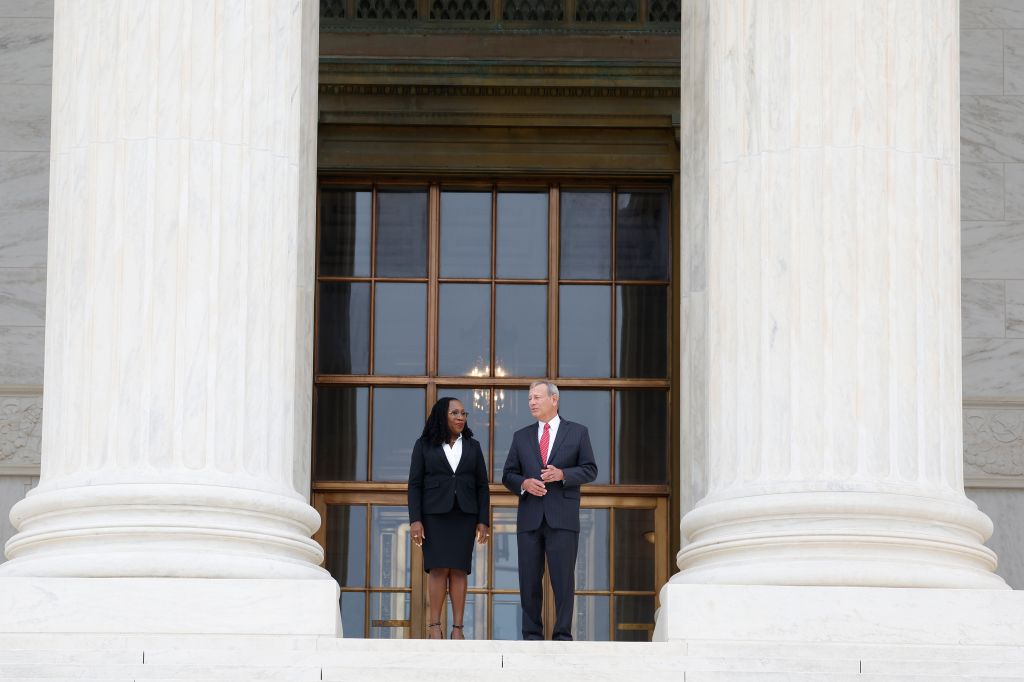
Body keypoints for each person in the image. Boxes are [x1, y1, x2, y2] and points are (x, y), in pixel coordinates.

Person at [502, 381, 597, 641]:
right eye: (530, 398)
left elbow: (590, 469)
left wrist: (563, 474)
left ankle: (562, 635)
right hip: (530, 518)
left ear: (554, 400)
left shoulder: (578, 432)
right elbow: (507, 474)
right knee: (529, 581)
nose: (532, 402)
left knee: (563, 581)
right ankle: (531, 635)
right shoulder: (521, 436)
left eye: (537, 397)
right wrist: (524, 483)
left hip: (563, 518)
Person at [408, 397, 490, 640]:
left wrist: (483, 520)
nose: (461, 418)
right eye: (455, 413)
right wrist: (415, 519)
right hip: (434, 515)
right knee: (437, 569)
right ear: (442, 415)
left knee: (459, 570)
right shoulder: (423, 445)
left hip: (465, 515)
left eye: (464, 414)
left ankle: (458, 629)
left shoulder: (473, 446)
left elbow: (482, 486)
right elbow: (414, 484)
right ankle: (434, 627)